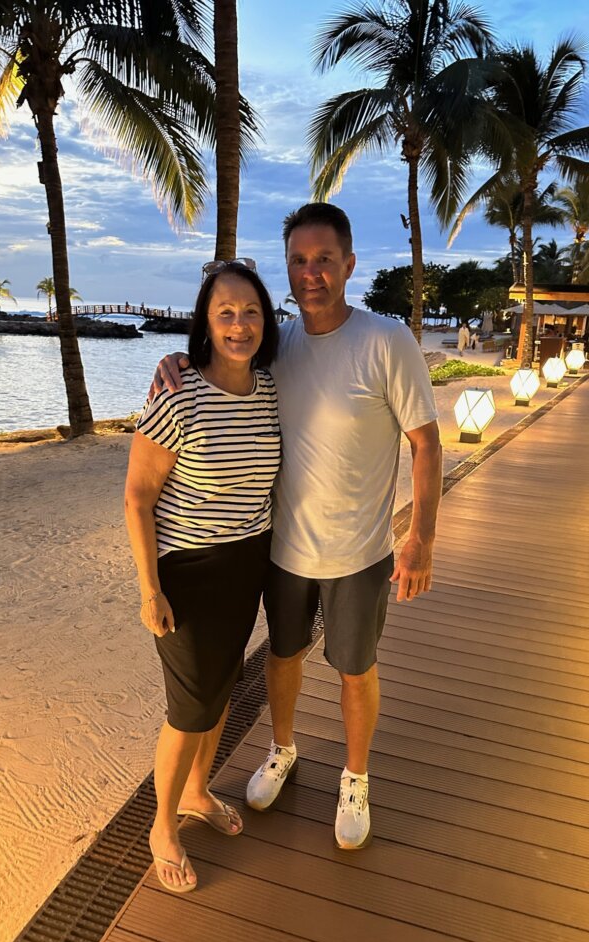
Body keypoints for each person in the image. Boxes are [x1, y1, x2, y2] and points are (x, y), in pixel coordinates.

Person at [154, 203, 441, 851]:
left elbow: (427, 443)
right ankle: (282, 750)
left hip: (361, 553)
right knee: (282, 658)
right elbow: (226, 352)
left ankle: (356, 777)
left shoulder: (386, 340)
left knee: (354, 668)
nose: (311, 273)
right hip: (283, 549)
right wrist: (172, 361)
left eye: (324, 260)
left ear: (349, 264)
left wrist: (420, 535)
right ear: (288, 267)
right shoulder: (278, 340)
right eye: (299, 261)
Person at [124, 261, 280, 893]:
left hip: (247, 567)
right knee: (189, 708)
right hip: (185, 572)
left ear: (266, 321)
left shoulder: (270, 389)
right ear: (205, 323)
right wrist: (149, 589)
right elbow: (137, 497)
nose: (239, 325)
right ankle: (162, 826)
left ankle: (195, 792)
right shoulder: (177, 395)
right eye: (225, 313)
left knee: (220, 688)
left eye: (250, 312)